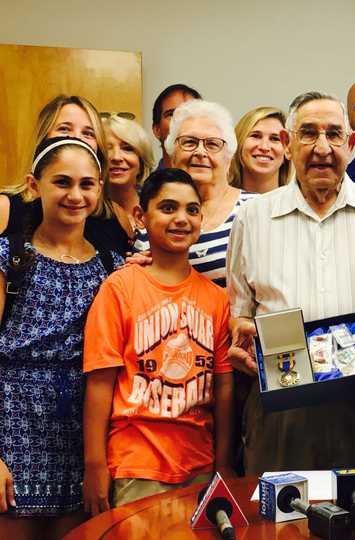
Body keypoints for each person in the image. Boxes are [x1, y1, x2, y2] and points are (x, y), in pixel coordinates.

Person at [226, 91, 355, 474]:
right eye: (308, 133)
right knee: (283, 525)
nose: (323, 148)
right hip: (282, 406)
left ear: (352, 143)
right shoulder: (252, 218)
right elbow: (241, 312)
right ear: (287, 143)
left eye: (334, 134)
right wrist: (244, 336)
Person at [82, 168, 234, 514]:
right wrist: (94, 466)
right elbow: (100, 383)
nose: (181, 219)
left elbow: (223, 389)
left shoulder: (216, 299)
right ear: (141, 215)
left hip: (199, 465)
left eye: (192, 210)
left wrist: (223, 464)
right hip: (135, 463)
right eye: (168, 208)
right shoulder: (118, 289)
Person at [0, 137, 122, 539]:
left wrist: (97, 460)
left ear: (100, 187)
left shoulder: (111, 266)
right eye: (62, 182)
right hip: (13, 426)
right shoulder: (11, 256)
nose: (75, 194)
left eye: (87, 184)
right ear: (34, 186)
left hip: (79, 433)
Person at [135, 99, 255, 287]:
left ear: (229, 157)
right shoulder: (151, 219)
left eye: (212, 144)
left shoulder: (255, 210)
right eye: (189, 142)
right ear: (172, 154)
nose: (200, 152)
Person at [0, 95, 131, 255]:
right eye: (64, 129)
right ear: (43, 138)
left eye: (88, 133)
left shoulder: (115, 215)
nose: (76, 138)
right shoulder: (5, 208)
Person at [103, 114, 155, 245]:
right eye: (107, 149)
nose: (116, 157)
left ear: (142, 162)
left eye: (127, 149)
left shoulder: (158, 210)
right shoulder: (85, 214)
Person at [228, 106, 292, 193]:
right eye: (255, 136)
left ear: (287, 149)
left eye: (275, 139)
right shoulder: (218, 202)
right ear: (239, 143)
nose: (264, 147)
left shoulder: (300, 203)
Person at [151, 84, 202, 170]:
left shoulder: (217, 181)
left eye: (190, 114)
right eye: (171, 114)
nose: (181, 121)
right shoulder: (150, 183)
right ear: (157, 130)